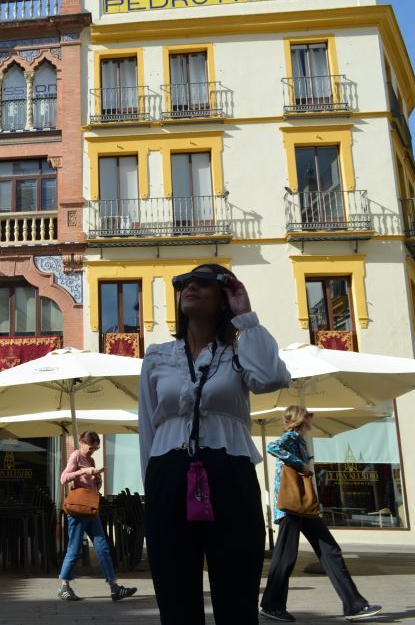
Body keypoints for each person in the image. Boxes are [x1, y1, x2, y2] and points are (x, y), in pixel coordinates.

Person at [138, 264, 291, 624]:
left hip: (230, 472)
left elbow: (271, 378)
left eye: (204, 283)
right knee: (175, 600)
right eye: (184, 283)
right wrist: (153, 488)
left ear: (223, 296)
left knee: (237, 596)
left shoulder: (238, 352)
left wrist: (246, 317)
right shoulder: (158, 356)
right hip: (169, 474)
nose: (190, 287)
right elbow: (147, 426)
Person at [260, 406, 383, 622]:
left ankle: (354, 605)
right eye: (308, 416)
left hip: (304, 506)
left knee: (330, 550)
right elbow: (273, 446)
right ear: (301, 419)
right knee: (286, 556)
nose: (311, 420)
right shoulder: (290, 436)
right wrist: (300, 464)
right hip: (291, 505)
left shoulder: (299, 440)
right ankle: (272, 606)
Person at [57, 431, 137, 602]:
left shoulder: (91, 460)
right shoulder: (76, 456)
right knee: (75, 549)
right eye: (91, 447)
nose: (92, 451)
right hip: (78, 511)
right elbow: (63, 478)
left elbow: (91, 485)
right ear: (82, 443)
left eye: (96, 448)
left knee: (103, 547)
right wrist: (84, 472)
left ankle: (114, 586)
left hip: (91, 509)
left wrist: (97, 481)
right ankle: (64, 586)